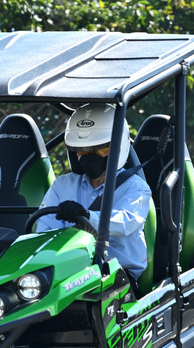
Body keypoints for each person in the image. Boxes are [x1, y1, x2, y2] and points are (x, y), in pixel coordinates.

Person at [37, 103, 152, 280]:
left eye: (100, 149)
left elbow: (124, 222)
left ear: (117, 148)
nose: (91, 156)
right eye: (83, 150)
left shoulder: (135, 187)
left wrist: (86, 215)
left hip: (118, 274)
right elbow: (44, 232)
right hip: (69, 272)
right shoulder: (62, 185)